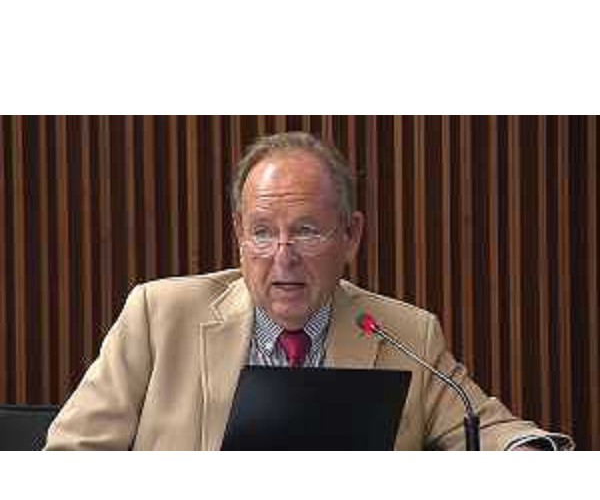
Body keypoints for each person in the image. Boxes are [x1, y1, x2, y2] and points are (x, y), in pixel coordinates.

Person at [45, 132, 573, 450]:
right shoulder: (160, 317)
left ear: (351, 235)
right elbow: (71, 456)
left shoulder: (406, 334)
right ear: (239, 234)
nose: (283, 256)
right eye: (262, 232)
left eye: (306, 231)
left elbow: (490, 430)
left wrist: (526, 458)